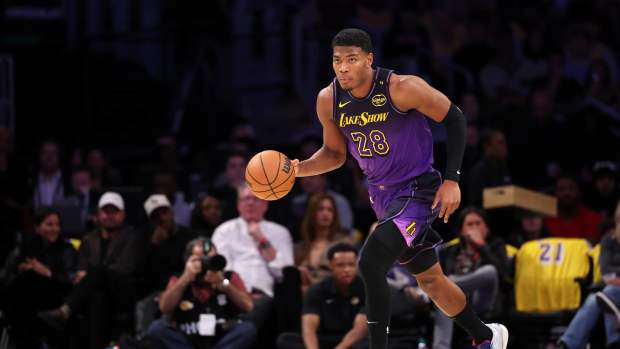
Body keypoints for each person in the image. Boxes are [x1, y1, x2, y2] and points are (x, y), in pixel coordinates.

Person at [290, 28, 508, 349]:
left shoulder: (403, 88)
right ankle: (486, 336)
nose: (343, 68)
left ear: (369, 59)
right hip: (382, 196)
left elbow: (456, 119)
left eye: (351, 60)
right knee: (430, 280)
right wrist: (298, 168)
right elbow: (335, 154)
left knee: (370, 261)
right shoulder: (329, 99)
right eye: (337, 61)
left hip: (418, 189)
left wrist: (452, 179)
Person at [38, 192, 146, 349]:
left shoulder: (132, 237)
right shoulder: (89, 239)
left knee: (98, 273)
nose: (109, 216)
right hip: (94, 292)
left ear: (123, 214)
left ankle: (65, 311)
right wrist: (84, 276)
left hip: (122, 291)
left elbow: (124, 269)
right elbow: (81, 268)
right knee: (97, 298)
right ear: (98, 214)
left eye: (114, 211)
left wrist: (91, 276)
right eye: (105, 211)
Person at [148, 237, 256, 349]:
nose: (207, 263)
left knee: (247, 329)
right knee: (157, 328)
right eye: (201, 259)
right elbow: (164, 308)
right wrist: (185, 279)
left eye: (212, 258)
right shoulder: (179, 279)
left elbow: (248, 306)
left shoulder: (228, 277)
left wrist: (223, 284)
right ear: (188, 261)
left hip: (221, 337)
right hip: (187, 340)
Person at [1, 208, 77, 348]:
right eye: (49, 224)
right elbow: (7, 274)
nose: (55, 229)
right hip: (27, 299)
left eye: (57, 225)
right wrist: (20, 270)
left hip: (56, 297)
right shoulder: (26, 247)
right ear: (37, 227)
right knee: (24, 282)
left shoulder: (67, 249)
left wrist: (46, 272)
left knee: (28, 281)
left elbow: (71, 282)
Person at [434, 208, 508, 349]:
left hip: (483, 299)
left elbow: (503, 275)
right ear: (462, 231)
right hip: (457, 299)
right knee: (443, 298)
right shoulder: (451, 250)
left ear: (486, 228)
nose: (474, 228)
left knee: (489, 271)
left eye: (478, 223)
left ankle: (439, 288)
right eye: (470, 224)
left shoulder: (496, 245)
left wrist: (482, 246)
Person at [277, 243, 367, 349]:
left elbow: (359, 331)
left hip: (352, 341)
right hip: (324, 338)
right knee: (285, 339)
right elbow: (309, 330)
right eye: (340, 265)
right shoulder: (317, 290)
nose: (347, 269)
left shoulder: (368, 290)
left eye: (351, 265)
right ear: (331, 266)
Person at [558, 200, 620, 349]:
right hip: (613, 286)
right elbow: (607, 272)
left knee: (606, 295)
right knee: (595, 299)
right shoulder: (609, 240)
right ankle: (568, 344)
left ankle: (615, 342)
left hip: (612, 289)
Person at [296, 193, 352, 293]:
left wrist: (312, 281)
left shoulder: (343, 243)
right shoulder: (300, 247)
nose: (325, 213)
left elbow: (346, 275)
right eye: (321, 209)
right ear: (312, 213)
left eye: (330, 210)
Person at [544, 174, 603, 243]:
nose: (566, 193)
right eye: (561, 189)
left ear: (579, 192)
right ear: (555, 193)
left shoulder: (594, 219)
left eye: (571, 188)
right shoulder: (546, 220)